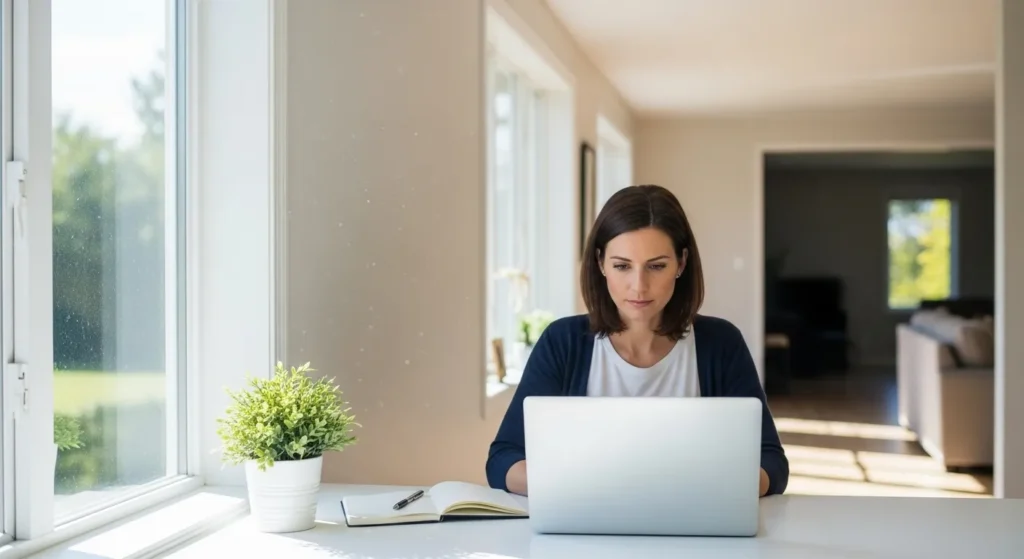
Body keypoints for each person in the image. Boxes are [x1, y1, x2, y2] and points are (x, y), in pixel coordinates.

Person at [485, 184, 789, 498]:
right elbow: (502, 460)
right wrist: (596, 488)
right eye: (622, 266)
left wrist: (712, 489)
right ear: (601, 263)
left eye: (656, 266)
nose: (639, 287)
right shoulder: (562, 342)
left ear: (681, 263)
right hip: (584, 529)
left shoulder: (721, 344)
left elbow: (771, 463)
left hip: (692, 533)